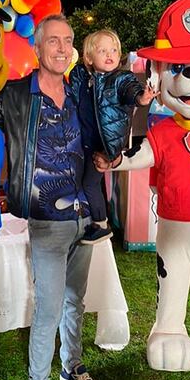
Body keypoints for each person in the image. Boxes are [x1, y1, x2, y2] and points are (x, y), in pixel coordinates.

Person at [0, 13, 106, 380]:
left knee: (76, 300)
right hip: (46, 218)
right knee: (50, 305)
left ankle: (72, 367)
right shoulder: (16, 95)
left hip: (84, 217)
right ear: (37, 48)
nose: (62, 47)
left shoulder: (78, 95)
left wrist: (111, 155)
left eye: (68, 40)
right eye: (53, 40)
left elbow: (99, 138)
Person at [71, 29, 156, 244]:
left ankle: (101, 225)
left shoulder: (120, 78)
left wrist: (141, 97)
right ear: (89, 58)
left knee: (89, 184)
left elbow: (131, 89)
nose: (110, 54)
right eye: (102, 51)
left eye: (114, 50)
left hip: (104, 145)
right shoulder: (83, 76)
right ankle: (88, 219)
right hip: (83, 142)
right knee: (85, 183)